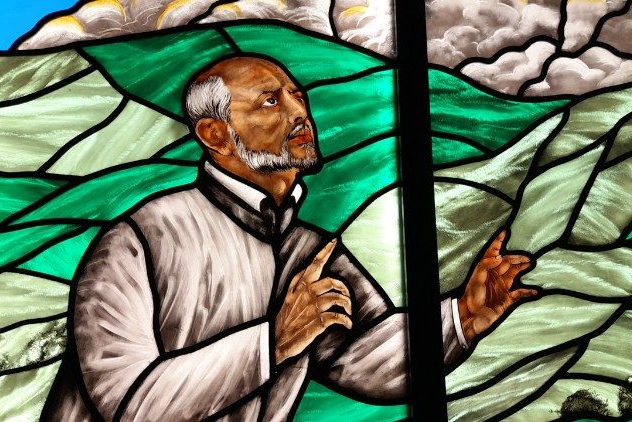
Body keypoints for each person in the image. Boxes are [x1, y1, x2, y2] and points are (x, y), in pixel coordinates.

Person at [41, 55, 537, 421]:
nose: (300, 112)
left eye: (298, 96)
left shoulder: (308, 248)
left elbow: (362, 357)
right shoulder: (137, 240)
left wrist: (461, 317)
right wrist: (272, 341)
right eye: (271, 101)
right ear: (216, 136)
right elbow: (128, 405)